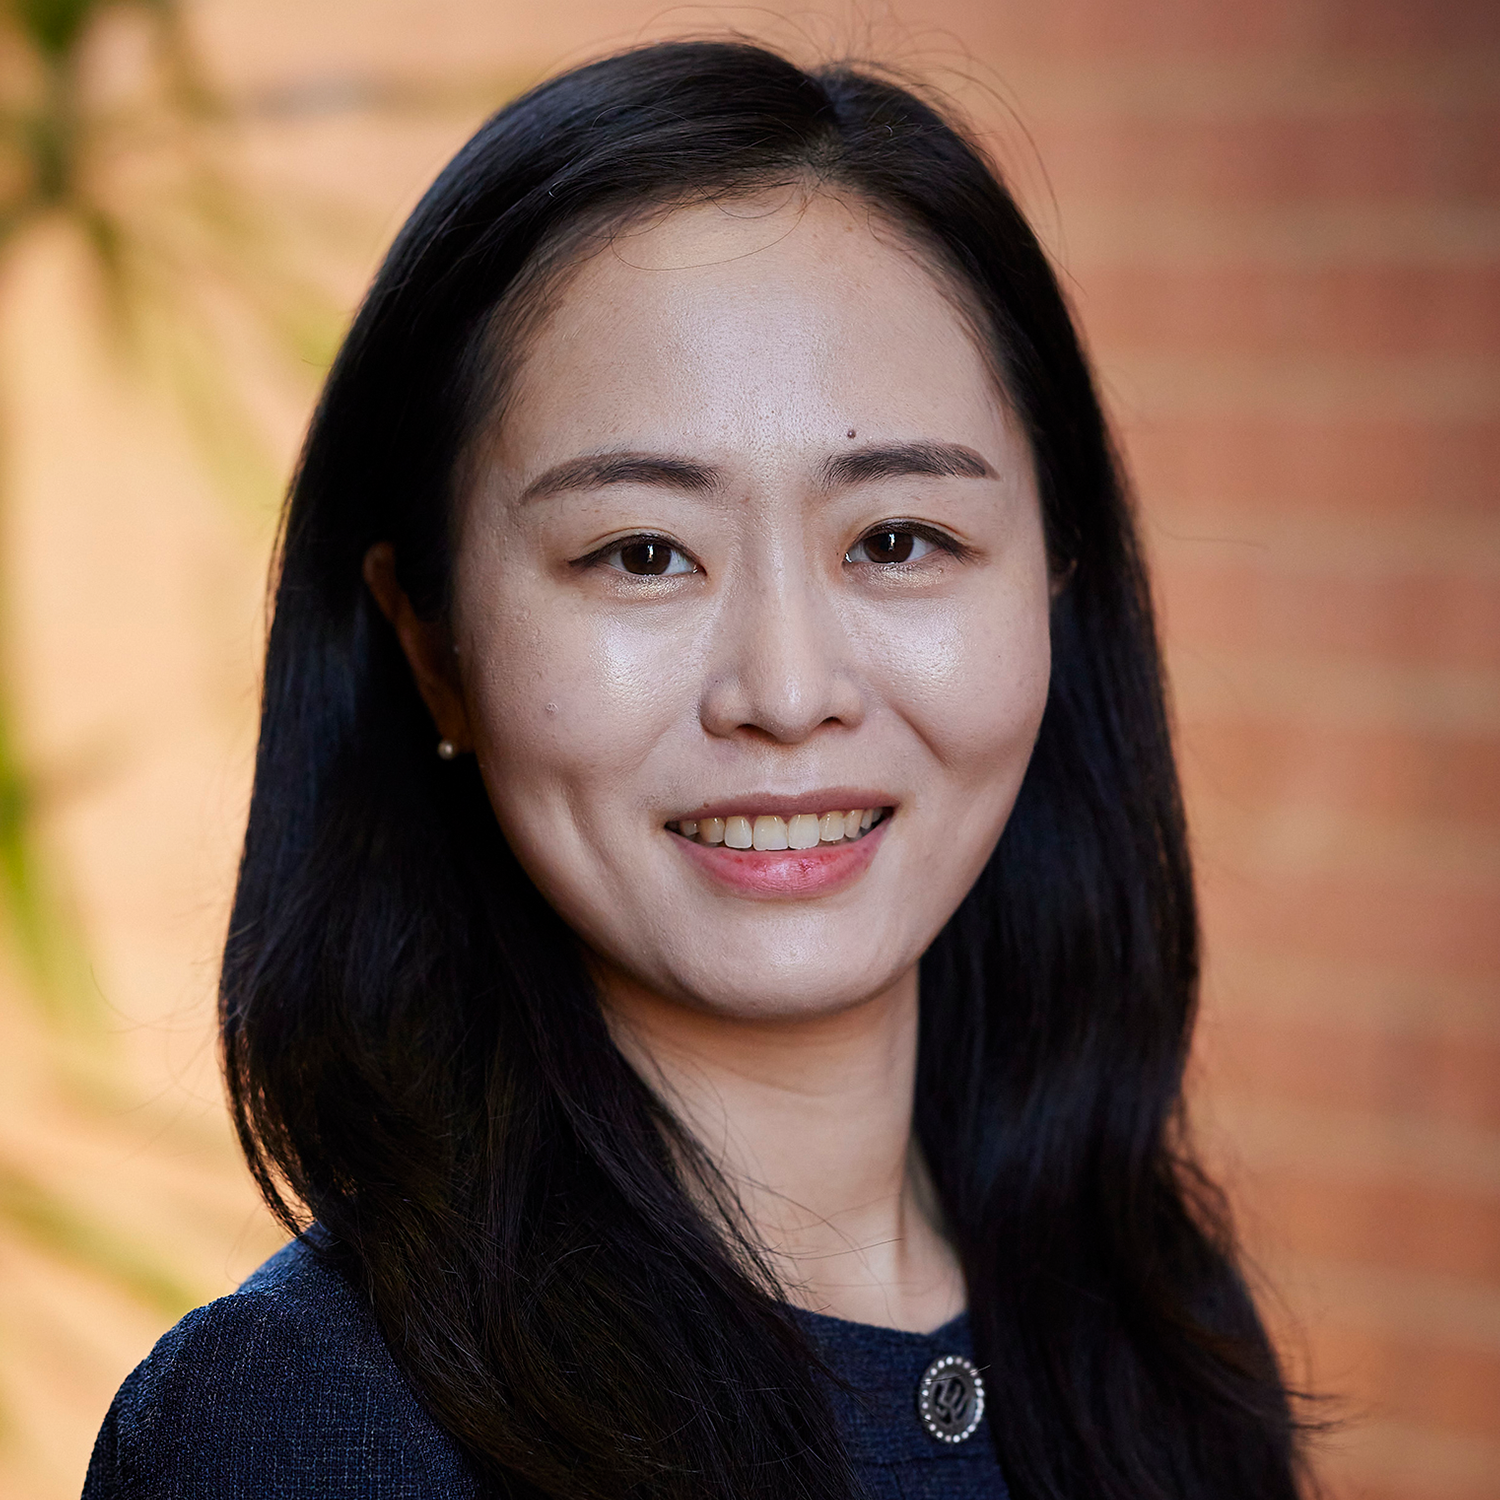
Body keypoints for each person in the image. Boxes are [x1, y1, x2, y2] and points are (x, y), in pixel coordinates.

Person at [83, 39, 1305, 1500]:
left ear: (1059, 578)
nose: (787, 694)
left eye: (898, 541)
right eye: (642, 554)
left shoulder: (1157, 1330)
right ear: (433, 642)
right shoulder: (300, 1435)